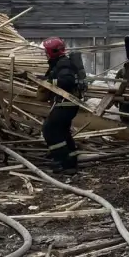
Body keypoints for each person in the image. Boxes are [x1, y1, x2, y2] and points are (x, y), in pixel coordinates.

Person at [39, 37, 81, 175]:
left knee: (50, 130)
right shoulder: (60, 63)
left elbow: (67, 81)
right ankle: (70, 162)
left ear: (53, 51)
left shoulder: (63, 64)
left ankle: (61, 161)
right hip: (67, 104)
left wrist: (50, 81)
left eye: (46, 51)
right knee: (62, 131)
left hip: (66, 103)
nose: (45, 54)